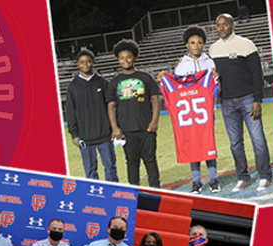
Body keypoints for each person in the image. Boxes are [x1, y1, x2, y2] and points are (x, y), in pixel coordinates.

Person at [209, 13, 273, 192]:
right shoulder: (213, 49)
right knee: (235, 143)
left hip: (248, 99)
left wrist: (257, 99)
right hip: (227, 103)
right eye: (218, 25)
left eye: (225, 25)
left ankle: (265, 175)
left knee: (258, 139)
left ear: (233, 25)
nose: (221, 28)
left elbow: (256, 73)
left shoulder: (246, 44)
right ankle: (243, 177)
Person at [161, 25, 221, 194]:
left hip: (206, 113)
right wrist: (164, 78)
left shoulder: (209, 62)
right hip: (187, 115)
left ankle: (213, 179)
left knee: (208, 144)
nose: (196, 45)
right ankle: (196, 182)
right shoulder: (181, 65)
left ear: (203, 45)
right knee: (192, 147)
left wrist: (216, 79)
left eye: (199, 42)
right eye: (192, 42)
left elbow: (216, 88)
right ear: (187, 45)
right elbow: (176, 89)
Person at [108, 39, 161, 188]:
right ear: (118, 60)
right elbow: (111, 106)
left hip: (146, 129)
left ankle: (156, 189)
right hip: (126, 130)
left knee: (150, 160)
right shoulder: (114, 82)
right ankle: (134, 191)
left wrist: (154, 121)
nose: (125, 60)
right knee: (132, 162)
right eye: (122, 58)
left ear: (134, 57)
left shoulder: (145, 78)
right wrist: (115, 128)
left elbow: (155, 99)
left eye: (128, 57)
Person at [66, 49, 118, 182]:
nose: (85, 64)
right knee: (90, 170)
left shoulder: (103, 83)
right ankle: (94, 196)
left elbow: (111, 107)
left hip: (105, 134)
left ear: (93, 62)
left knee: (110, 167)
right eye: (82, 62)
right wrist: (74, 134)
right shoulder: (73, 86)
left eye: (88, 61)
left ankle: (113, 193)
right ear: (78, 64)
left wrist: (114, 128)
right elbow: (71, 112)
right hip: (85, 136)